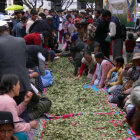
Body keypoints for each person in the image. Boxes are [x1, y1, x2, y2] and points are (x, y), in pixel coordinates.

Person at [0, 21, 31, 121]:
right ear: (8, 30)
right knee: (22, 111)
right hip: (22, 82)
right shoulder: (21, 41)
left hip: (5, 85)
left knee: (8, 116)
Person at [0, 74, 37, 138]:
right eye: (18, 84)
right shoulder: (8, 101)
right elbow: (15, 127)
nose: (19, 87)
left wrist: (25, 102)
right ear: (13, 87)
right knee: (22, 135)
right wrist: (30, 125)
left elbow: (13, 113)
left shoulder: (4, 98)